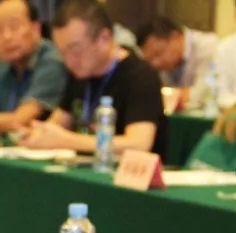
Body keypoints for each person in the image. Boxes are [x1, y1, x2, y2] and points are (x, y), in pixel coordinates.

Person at [22, 0, 166, 157]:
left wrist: (66, 140)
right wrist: (39, 133)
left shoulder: (140, 76)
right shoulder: (79, 73)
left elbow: (138, 144)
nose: (68, 61)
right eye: (62, 53)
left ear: (104, 38)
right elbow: (57, 123)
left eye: (75, 50)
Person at [0, 0, 67, 132]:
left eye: (14, 26)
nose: (7, 37)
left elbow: (19, 120)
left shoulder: (52, 62)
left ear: (36, 28)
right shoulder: (4, 67)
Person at [137, 16, 219, 107]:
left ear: (175, 37)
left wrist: (172, 97)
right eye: (149, 60)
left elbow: (203, 95)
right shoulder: (166, 64)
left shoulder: (208, 47)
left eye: (158, 53)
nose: (155, 63)